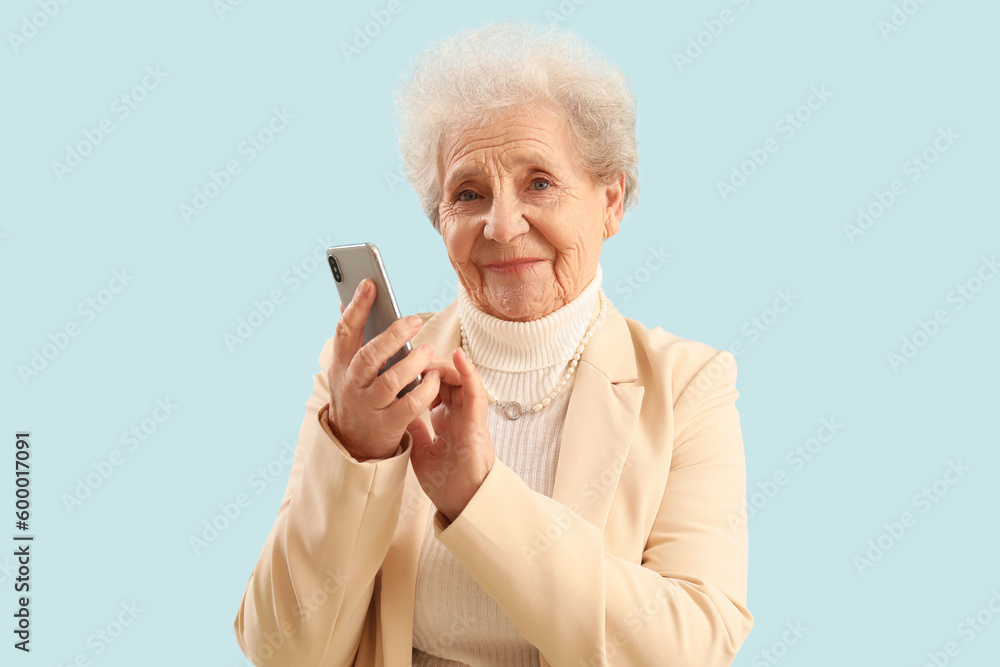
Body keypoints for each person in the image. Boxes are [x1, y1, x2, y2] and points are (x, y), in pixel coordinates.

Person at [233, 21, 753, 666]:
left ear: (611, 200)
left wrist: (480, 496)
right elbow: (282, 652)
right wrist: (356, 448)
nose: (502, 227)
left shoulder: (688, 385)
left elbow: (688, 650)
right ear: (440, 219)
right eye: (468, 193)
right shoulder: (369, 383)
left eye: (539, 182)